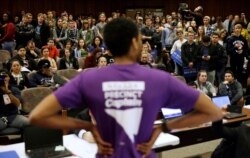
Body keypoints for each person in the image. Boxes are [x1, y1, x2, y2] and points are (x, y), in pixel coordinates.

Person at [29, 18, 222, 158]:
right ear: (134, 42)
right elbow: (212, 111)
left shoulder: (87, 79)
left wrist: (87, 126)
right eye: (141, 39)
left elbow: (37, 116)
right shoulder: (159, 79)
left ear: (110, 48)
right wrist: (163, 127)